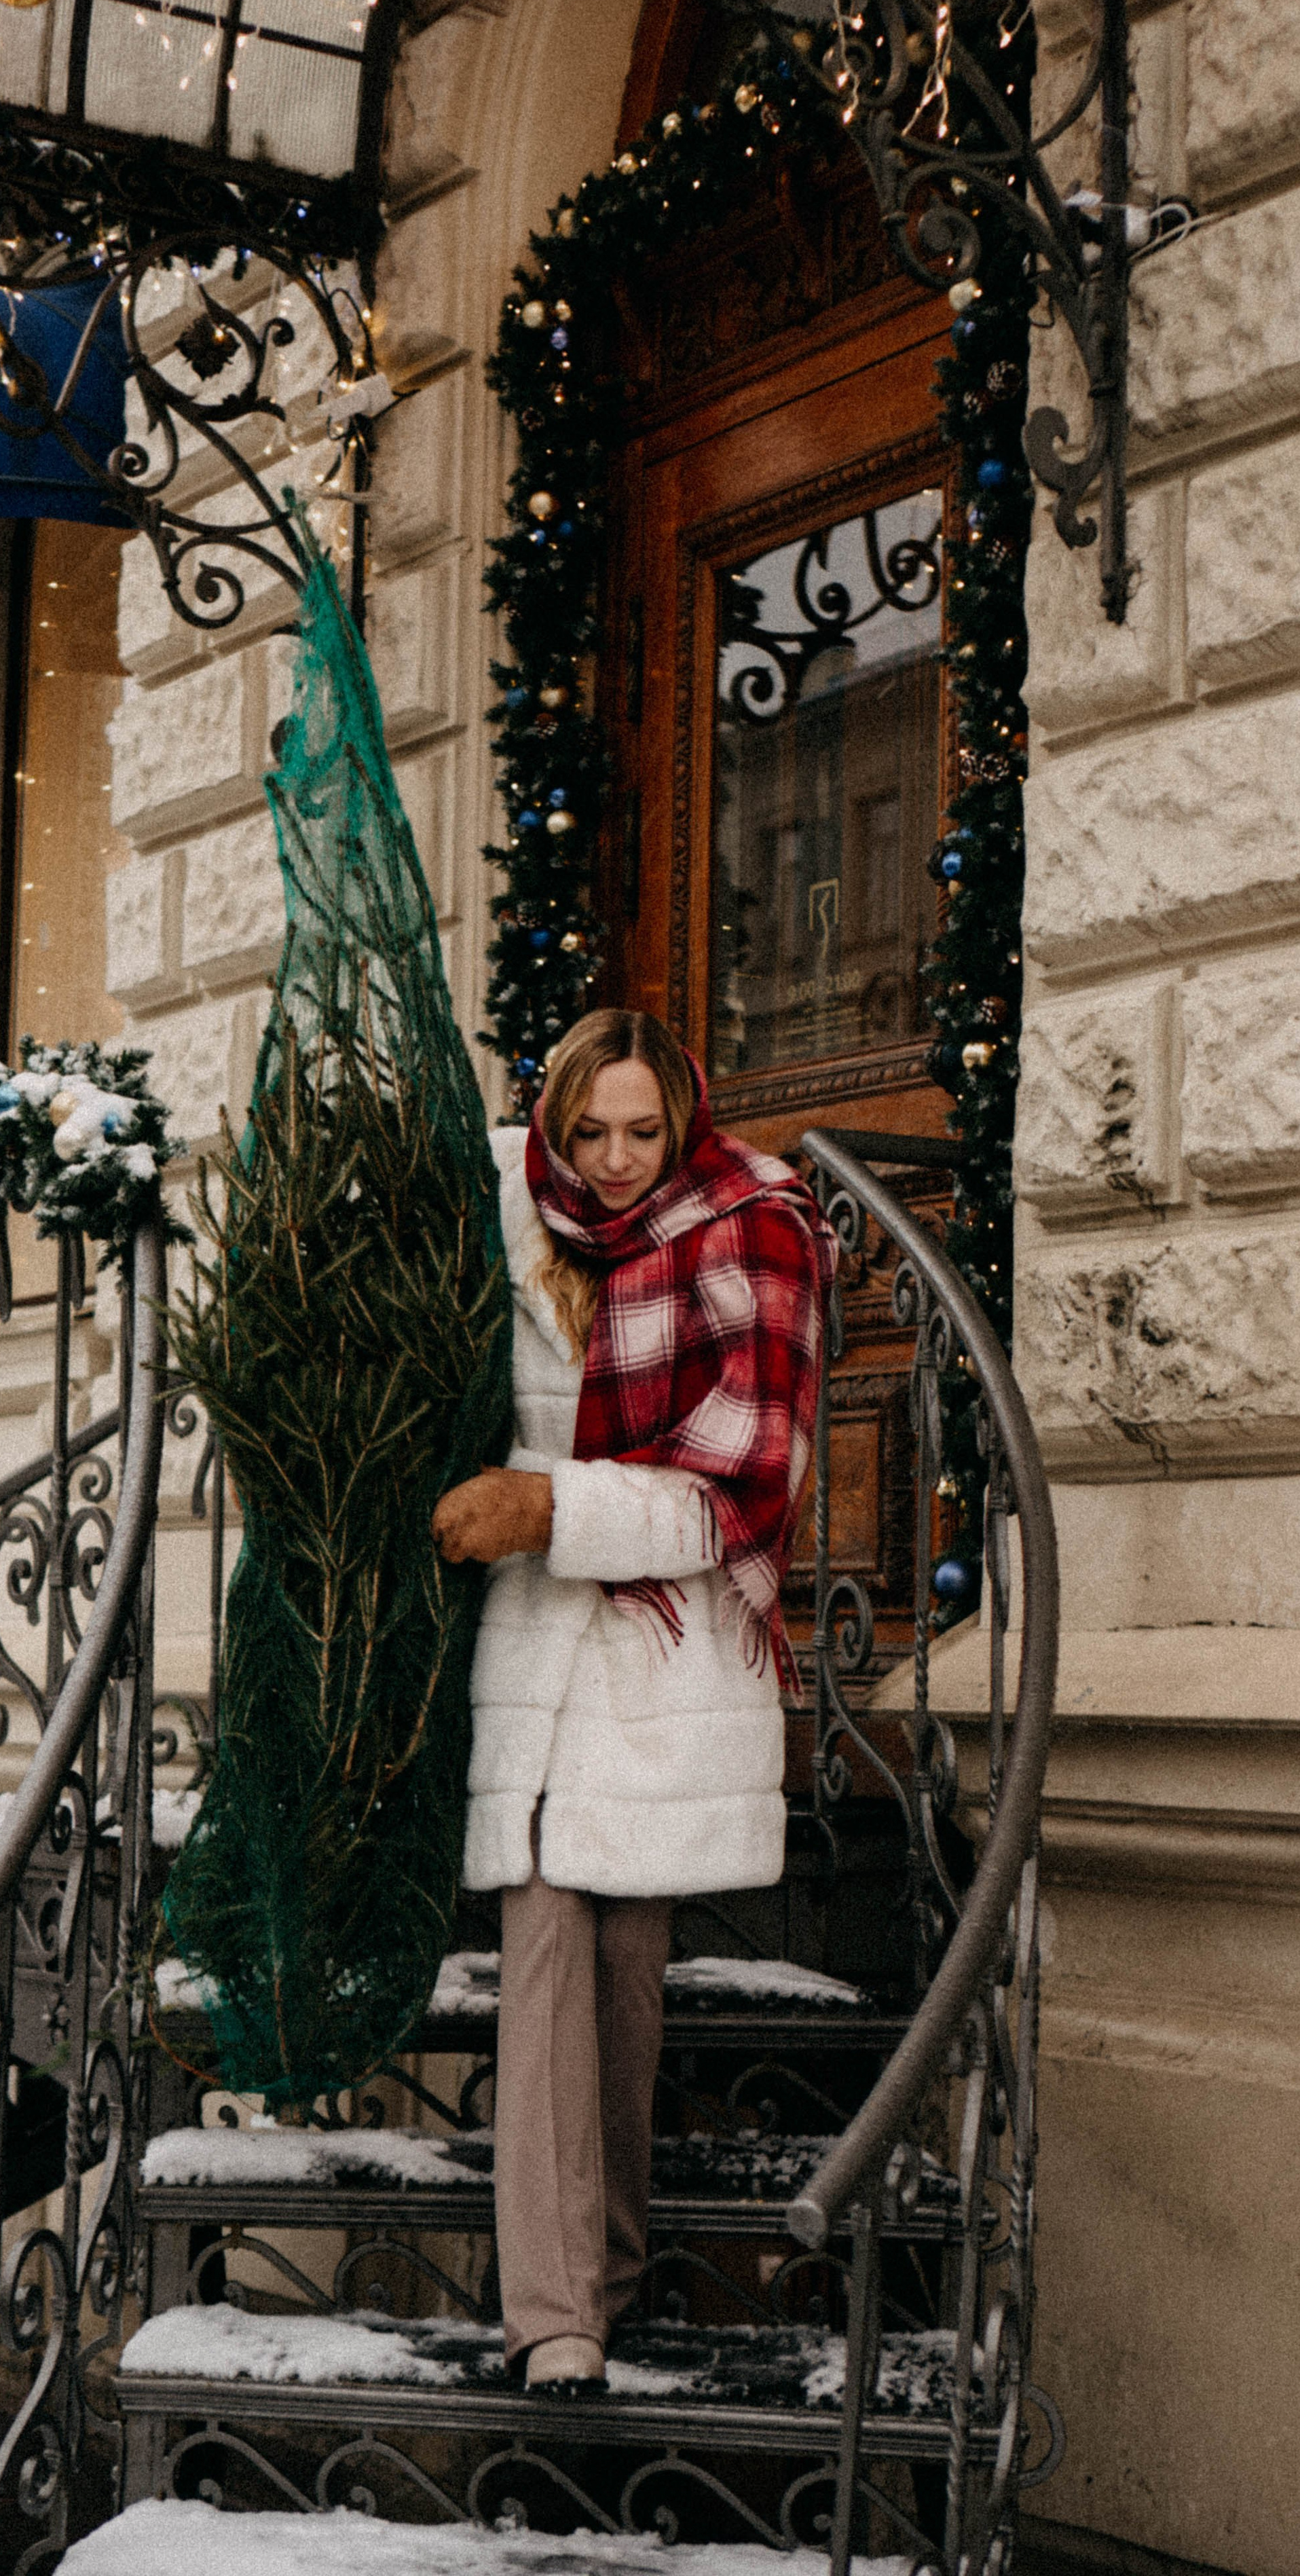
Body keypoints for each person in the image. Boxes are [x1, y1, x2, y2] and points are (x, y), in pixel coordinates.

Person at [431, 1008, 836, 2394]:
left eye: (639, 1132)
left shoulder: (750, 1228)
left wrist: (551, 1505)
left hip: (667, 1650)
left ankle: (598, 2279)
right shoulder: (502, 1206)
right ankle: (554, 2319)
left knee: (624, 1982)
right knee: (542, 1948)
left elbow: (745, 1484)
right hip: (536, 1638)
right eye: (584, 1131)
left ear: (683, 1121)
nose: (610, 1161)